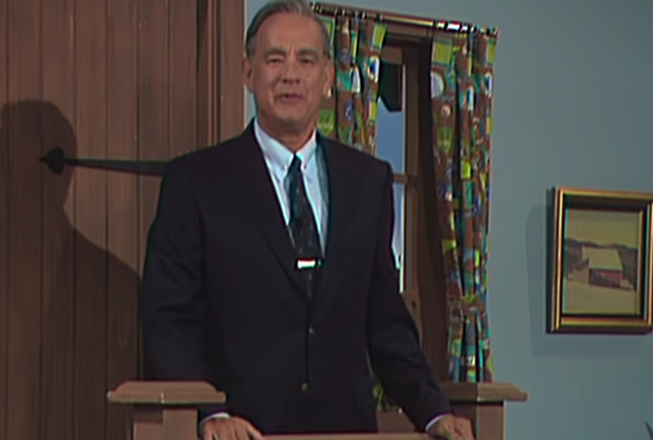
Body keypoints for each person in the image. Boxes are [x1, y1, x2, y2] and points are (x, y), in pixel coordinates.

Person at [140, 0, 475, 439]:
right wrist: (209, 413)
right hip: (242, 430)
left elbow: (385, 321)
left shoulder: (367, 182)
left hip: (345, 430)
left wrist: (433, 412)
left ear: (327, 77)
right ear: (248, 72)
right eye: (274, 59)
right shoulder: (197, 181)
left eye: (306, 59)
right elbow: (169, 318)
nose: (290, 74)